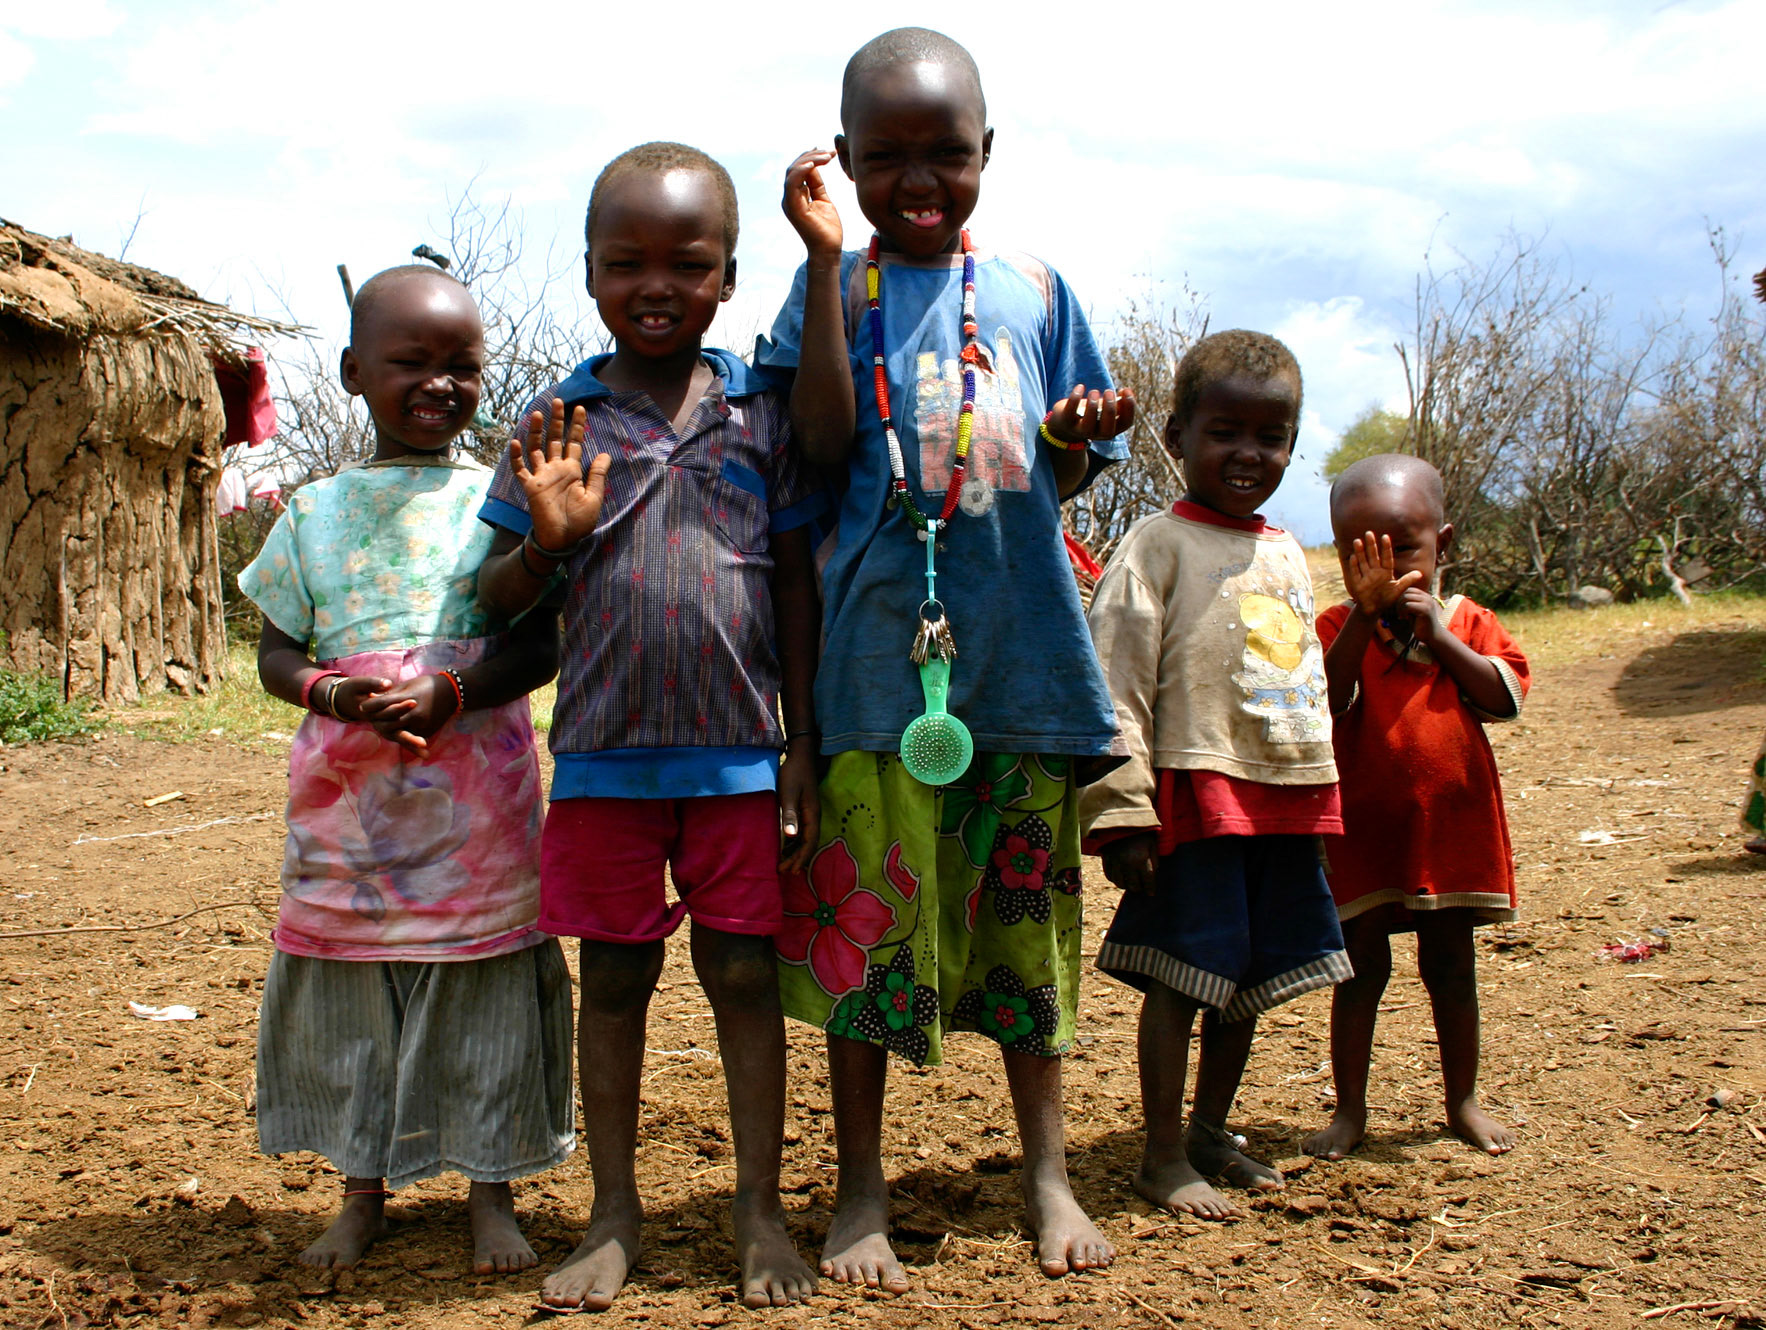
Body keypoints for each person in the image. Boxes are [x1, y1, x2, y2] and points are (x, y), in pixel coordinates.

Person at [764, 28, 1134, 1289]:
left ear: (988, 152)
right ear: (844, 160)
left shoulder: (1033, 286)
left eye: (946, 155)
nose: (917, 181)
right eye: (885, 159)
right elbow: (815, 450)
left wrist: (1080, 435)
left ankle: (1046, 1168)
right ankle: (858, 1181)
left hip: (1017, 665)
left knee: (1024, 935)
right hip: (873, 670)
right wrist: (821, 266)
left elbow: (1056, 473)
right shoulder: (837, 289)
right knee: (864, 934)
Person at [476, 142, 824, 1312]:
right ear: (587, 273)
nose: (655, 284)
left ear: (728, 277)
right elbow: (495, 602)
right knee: (614, 980)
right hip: (603, 762)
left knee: (741, 975)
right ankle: (612, 1212)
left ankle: (759, 1210)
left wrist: (802, 747)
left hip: (735, 758)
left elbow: (791, 585)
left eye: (688, 261)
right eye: (626, 262)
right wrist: (546, 541)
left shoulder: (756, 412)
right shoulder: (555, 421)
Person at [237, 265, 572, 1273]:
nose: (438, 384)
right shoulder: (310, 513)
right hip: (354, 826)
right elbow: (275, 653)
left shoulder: (499, 502)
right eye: (409, 363)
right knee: (356, 1004)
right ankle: (360, 1192)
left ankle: (490, 1192)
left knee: (482, 996)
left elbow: (536, 643)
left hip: (475, 821)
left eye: (460, 367)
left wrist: (452, 692)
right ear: (351, 372)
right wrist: (337, 695)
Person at [1081, 330, 1348, 1222]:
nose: (1248, 454)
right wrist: (1123, 813)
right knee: (1183, 977)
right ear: (1175, 436)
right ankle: (1161, 1153)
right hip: (1195, 797)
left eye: (1270, 438)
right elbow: (1114, 680)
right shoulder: (1154, 546)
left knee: (1251, 979)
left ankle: (1208, 1128)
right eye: (1224, 431)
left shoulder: (1288, 551)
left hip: (1282, 796)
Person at [1301, 454, 1529, 1160]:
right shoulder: (1337, 625)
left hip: (1450, 832)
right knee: (1359, 970)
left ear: (1445, 545)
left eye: (1402, 548)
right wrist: (1364, 624)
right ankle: (1350, 1111)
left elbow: (1504, 697)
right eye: (1358, 553)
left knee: (1451, 966)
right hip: (1366, 834)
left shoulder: (1469, 621)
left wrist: (1440, 635)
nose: (1384, 567)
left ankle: (1461, 1099)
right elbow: (1327, 702)